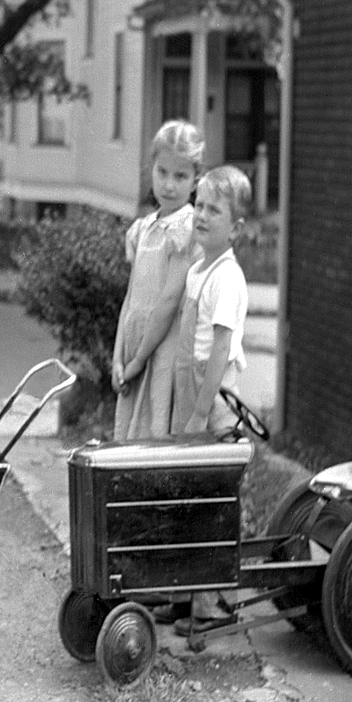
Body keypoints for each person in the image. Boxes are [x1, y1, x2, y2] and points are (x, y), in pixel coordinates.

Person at [151, 164, 253, 635]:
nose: (203, 215)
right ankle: (180, 591)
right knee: (182, 495)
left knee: (211, 500)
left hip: (210, 404)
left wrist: (196, 412)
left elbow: (216, 357)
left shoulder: (227, 279)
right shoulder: (197, 270)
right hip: (186, 395)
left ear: (235, 228)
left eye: (216, 209)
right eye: (202, 204)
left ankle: (211, 604)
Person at [111, 120, 204, 441]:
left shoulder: (186, 229)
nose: (169, 185)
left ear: (195, 181)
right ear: (151, 169)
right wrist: (118, 359)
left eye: (180, 176)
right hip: (133, 347)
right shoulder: (143, 228)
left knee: (155, 431)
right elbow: (132, 297)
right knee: (128, 436)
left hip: (161, 349)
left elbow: (167, 302)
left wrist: (138, 360)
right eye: (162, 172)